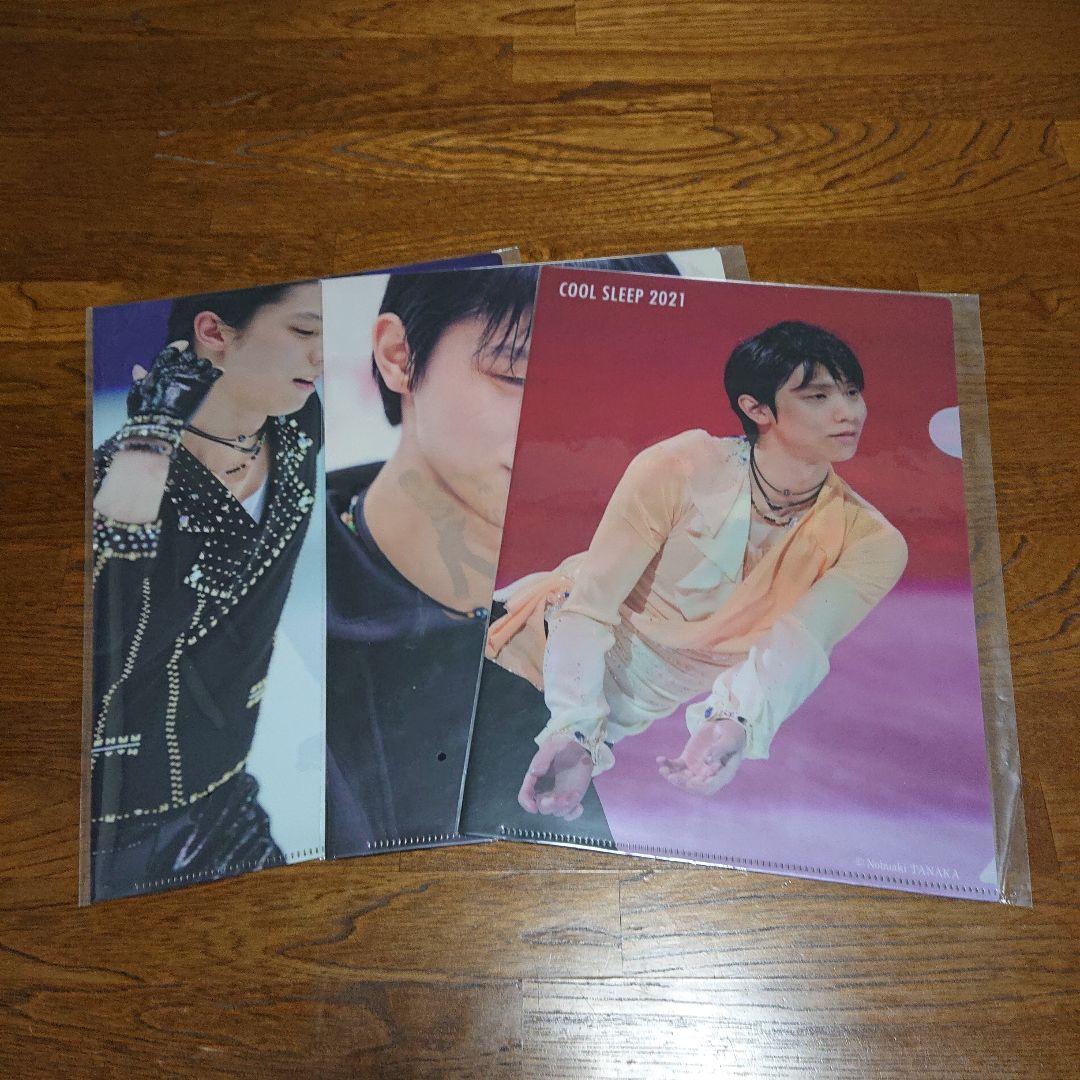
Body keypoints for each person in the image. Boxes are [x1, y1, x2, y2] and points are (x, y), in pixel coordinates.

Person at [477, 320, 909, 834]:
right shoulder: (683, 466)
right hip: (514, 657)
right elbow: (589, 606)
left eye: (853, 392)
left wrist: (732, 724)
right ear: (757, 408)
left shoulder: (871, 543)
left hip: (594, 730)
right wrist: (574, 726)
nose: (849, 412)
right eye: (819, 396)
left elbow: (796, 648)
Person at [325, 257, 682, 856]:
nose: (563, 432)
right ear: (399, 355)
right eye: (517, 378)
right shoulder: (268, 596)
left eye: (605, 392)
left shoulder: (669, 620)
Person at [89, 281, 323, 900]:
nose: (322, 355)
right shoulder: (117, 484)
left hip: (227, 803)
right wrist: (149, 440)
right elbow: (100, 643)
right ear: (214, 332)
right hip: (106, 829)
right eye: (304, 331)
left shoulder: (297, 433)